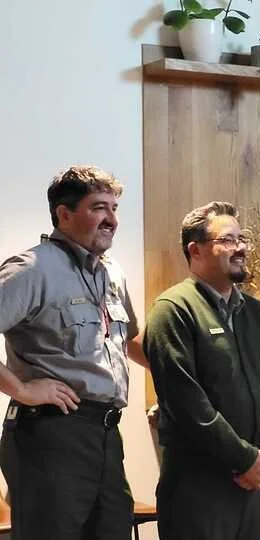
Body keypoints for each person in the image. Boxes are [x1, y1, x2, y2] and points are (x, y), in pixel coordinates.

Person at [0, 165, 146, 540]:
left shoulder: (112, 273)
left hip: (105, 434)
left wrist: (191, 371)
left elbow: (131, 339)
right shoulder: (32, 269)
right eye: (99, 207)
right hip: (51, 431)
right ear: (64, 214)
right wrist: (21, 388)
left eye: (114, 208)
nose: (111, 219)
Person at [142, 201, 260, 540]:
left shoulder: (257, 313)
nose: (240, 248)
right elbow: (188, 405)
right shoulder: (173, 309)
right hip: (200, 483)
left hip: (257, 480)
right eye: (227, 240)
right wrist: (244, 458)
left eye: (242, 239)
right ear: (195, 250)